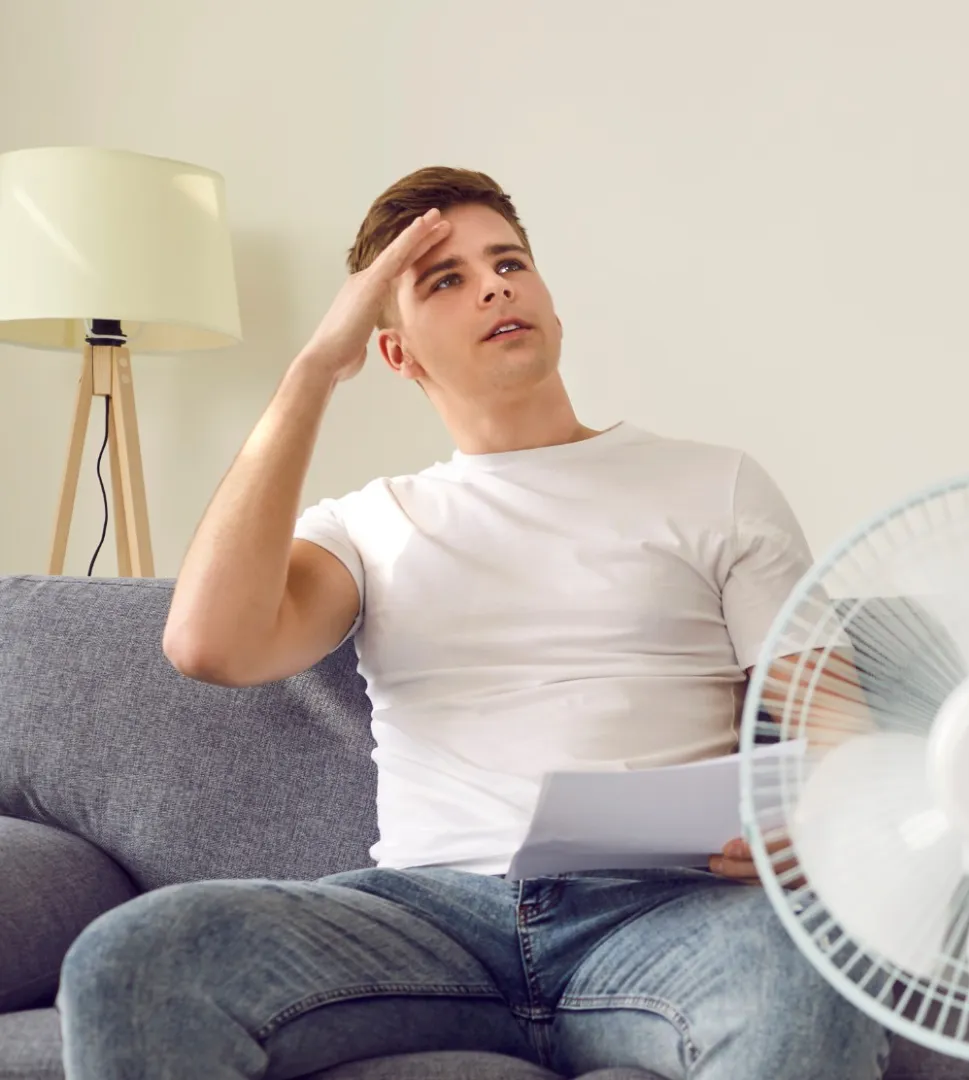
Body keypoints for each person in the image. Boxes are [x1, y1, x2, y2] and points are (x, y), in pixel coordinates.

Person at [57, 166, 888, 1080]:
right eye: (444, 280)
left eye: (510, 262)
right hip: (428, 920)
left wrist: (816, 823)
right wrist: (312, 369)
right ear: (396, 354)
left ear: (552, 306)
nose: (494, 285)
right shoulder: (368, 524)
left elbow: (835, 729)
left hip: (665, 914)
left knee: (806, 981)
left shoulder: (716, 484)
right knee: (133, 960)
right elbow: (206, 644)